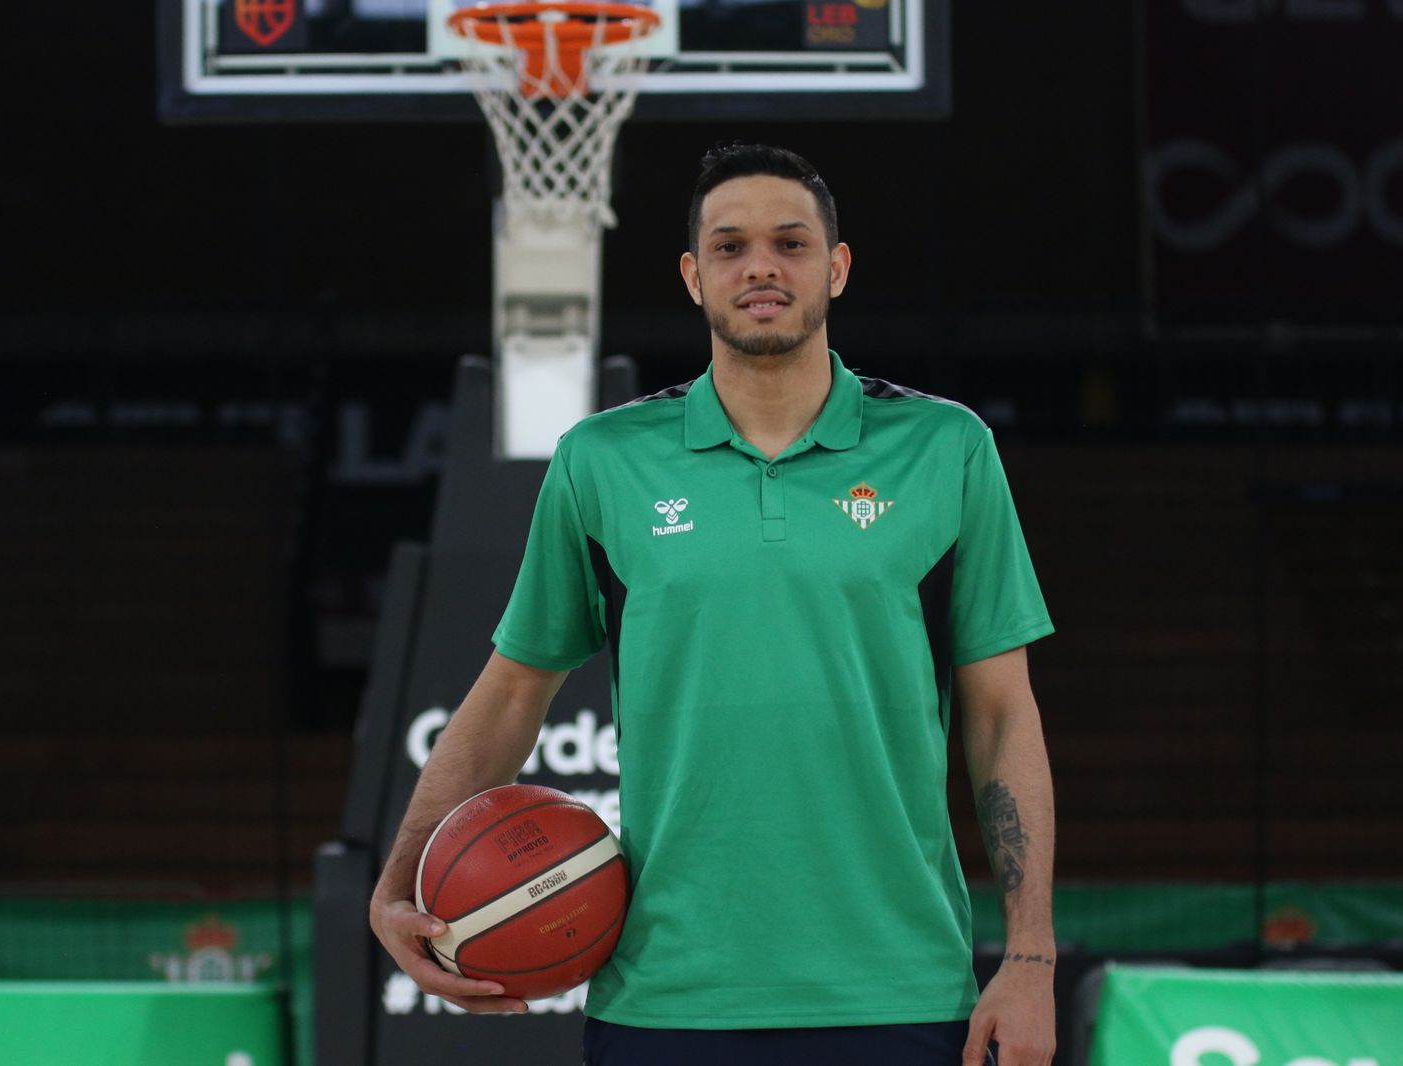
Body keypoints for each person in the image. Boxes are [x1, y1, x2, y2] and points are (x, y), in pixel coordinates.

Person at [370, 143, 1058, 1066]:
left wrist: (1029, 958)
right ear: (694, 278)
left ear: (837, 267)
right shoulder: (604, 459)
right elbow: (508, 694)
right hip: (666, 1000)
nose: (762, 266)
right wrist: (402, 874)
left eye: (791, 242)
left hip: (898, 989)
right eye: (729, 247)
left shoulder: (946, 449)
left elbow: (1003, 714)